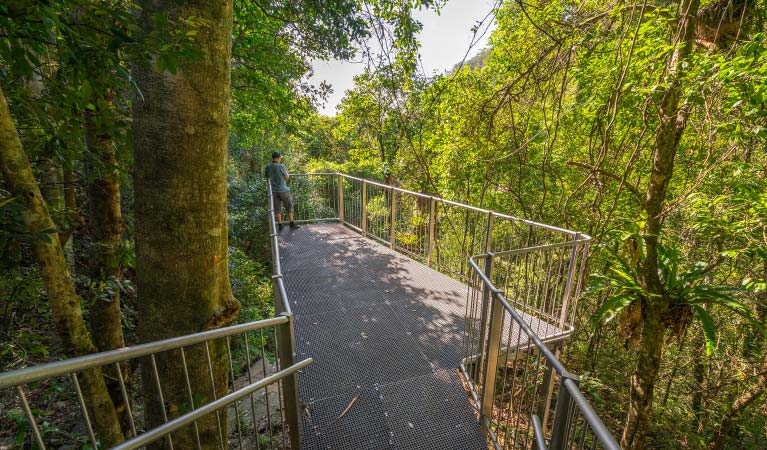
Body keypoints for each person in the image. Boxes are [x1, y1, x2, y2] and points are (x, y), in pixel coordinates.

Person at [264, 151, 300, 231]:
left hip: (273, 190)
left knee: (277, 208)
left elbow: (267, 177)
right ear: (278, 158)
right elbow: (287, 178)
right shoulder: (281, 166)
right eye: (280, 157)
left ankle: (280, 225)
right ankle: (291, 223)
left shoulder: (268, 167)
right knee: (289, 206)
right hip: (283, 190)